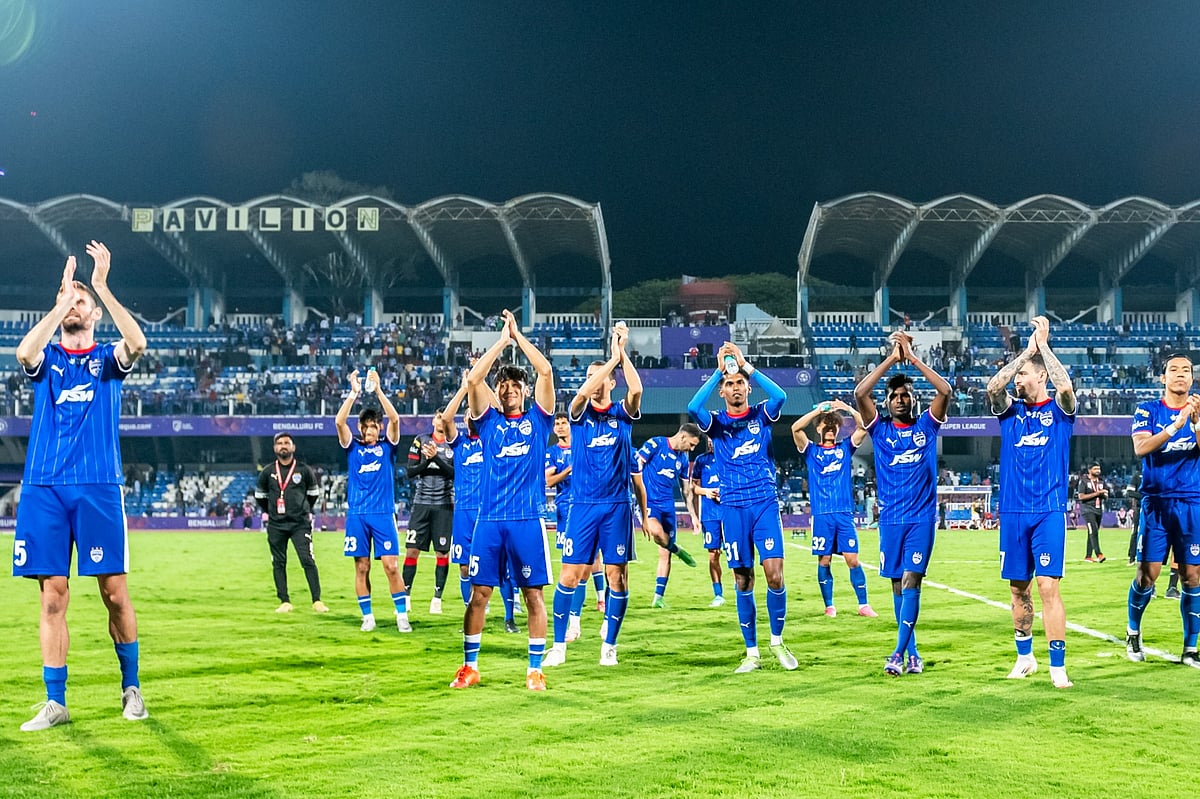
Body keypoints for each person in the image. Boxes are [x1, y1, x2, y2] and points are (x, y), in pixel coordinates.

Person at [13, 242, 149, 731]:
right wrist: (59, 300)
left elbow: (138, 344)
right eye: (69, 300)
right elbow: (22, 352)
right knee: (52, 596)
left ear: (92, 312)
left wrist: (102, 287)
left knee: (113, 593)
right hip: (44, 485)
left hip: (97, 486)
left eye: (80, 301)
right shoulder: (47, 358)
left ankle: (131, 689)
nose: (75, 305)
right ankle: (56, 702)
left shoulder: (107, 360)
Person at [450, 310, 554, 691]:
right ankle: (470, 667)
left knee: (533, 595)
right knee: (478, 595)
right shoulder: (488, 422)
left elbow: (544, 372)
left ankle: (534, 670)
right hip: (489, 519)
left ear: (524, 391)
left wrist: (520, 336)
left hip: (528, 519)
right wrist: (502, 342)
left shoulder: (539, 422)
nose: (510, 388)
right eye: (504, 384)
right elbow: (473, 378)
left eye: (515, 384)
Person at [687, 341, 798, 673]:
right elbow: (693, 407)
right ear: (722, 391)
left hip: (763, 502)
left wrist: (746, 366)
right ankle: (752, 653)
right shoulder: (717, 423)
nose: (735, 389)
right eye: (729, 385)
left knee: (774, 575)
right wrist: (719, 371)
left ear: (748, 387)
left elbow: (781, 397)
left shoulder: (761, 415)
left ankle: (777, 642)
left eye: (739, 384)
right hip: (732, 507)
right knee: (743, 578)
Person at [544, 324, 645, 668]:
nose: (595, 378)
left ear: (612, 381)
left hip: (616, 507)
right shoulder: (578, 415)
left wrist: (622, 354)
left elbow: (637, 388)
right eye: (590, 374)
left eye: (603, 374)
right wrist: (610, 357)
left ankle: (609, 647)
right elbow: (583, 392)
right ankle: (558, 646)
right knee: (569, 577)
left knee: (618, 577)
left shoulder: (622, 415)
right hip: (582, 507)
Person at [985, 315, 1076, 689]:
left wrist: (1044, 349)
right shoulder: (1011, 414)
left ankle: (1058, 666)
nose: (1018, 379)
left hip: (1048, 511)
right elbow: (993, 388)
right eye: (1017, 375)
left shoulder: (1059, 412)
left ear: (1040, 377)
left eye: (1024, 374)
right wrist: (1024, 353)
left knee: (1047, 587)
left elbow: (1067, 386)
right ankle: (1025, 658)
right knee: (1017, 588)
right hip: (1013, 513)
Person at [854, 330, 952, 677]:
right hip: (891, 520)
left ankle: (896, 653)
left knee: (912, 580)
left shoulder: (927, 426)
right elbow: (859, 393)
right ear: (888, 402)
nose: (900, 399)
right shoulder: (879, 430)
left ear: (914, 400)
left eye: (905, 395)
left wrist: (912, 359)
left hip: (921, 519)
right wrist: (891, 361)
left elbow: (945, 391)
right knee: (897, 585)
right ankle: (913, 654)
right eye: (894, 396)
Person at [1125, 353, 1200, 668]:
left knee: (1193, 575)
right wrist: (1175, 426)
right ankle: (1133, 632)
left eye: (1186, 370)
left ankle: (1190, 649)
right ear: (1163, 378)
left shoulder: (1199, 411)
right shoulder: (1148, 410)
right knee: (1148, 575)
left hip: (1192, 502)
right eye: (1174, 370)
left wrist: (1195, 424)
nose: (1180, 375)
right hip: (1156, 502)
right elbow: (1140, 448)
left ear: (1192, 378)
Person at [441, 372, 521, 633]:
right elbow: (445, 419)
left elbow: (498, 409)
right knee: (465, 566)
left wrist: (478, 384)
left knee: (506, 567)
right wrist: (465, 389)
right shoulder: (460, 444)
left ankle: (509, 617)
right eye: (468, 417)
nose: (470, 418)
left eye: (473, 414)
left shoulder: (492, 439)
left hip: (491, 510)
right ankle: (472, 611)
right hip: (464, 512)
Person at [334, 367, 411, 633]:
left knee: (391, 566)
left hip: (382, 513)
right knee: (362, 567)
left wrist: (378, 390)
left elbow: (396, 419)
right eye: (366, 427)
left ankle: (401, 615)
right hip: (357, 514)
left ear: (379, 428)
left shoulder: (388, 447)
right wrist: (354, 393)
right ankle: (367, 616)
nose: (370, 431)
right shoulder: (352, 447)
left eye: (374, 426)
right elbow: (339, 422)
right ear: (361, 428)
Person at [790, 399, 877, 619]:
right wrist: (818, 411)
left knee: (852, 559)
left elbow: (864, 426)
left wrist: (847, 409)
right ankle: (829, 606)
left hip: (843, 514)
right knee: (824, 560)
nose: (829, 427)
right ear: (818, 428)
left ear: (838, 428)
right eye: (825, 424)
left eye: (833, 424)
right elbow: (795, 428)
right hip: (822, 515)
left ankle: (863, 605)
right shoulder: (810, 450)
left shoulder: (845, 447)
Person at [545, 411, 606, 642]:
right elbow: (548, 481)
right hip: (565, 511)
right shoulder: (551, 453)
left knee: (593, 562)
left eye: (564, 423)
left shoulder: (583, 444)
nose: (560, 427)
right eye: (557, 424)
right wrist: (569, 470)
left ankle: (600, 605)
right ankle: (574, 624)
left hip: (588, 507)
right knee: (572, 570)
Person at [256, 433, 326, 614]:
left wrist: (302, 510)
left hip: (299, 524)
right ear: (274, 448)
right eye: (279, 443)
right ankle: (284, 601)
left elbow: (313, 495)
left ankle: (317, 601)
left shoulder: (304, 470)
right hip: (276, 525)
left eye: (286, 443)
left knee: (307, 560)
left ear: (293, 447)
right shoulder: (267, 472)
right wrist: (273, 513)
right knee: (278, 562)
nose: (283, 446)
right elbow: (261, 497)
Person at [637, 424, 702, 608]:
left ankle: (658, 597)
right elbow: (636, 466)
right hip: (649, 503)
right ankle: (677, 550)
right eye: (691, 444)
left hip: (668, 506)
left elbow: (686, 490)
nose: (692, 448)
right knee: (656, 532)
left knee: (664, 553)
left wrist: (694, 517)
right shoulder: (656, 444)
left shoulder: (683, 458)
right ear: (682, 437)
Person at [404, 405, 455, 615]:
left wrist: (434, 459)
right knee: (411, 550)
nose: (441, 421)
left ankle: (437, 598)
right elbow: (410, 471)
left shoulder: (454, 444)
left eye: (445, 418)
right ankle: (405, 597)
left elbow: (455, 473)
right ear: (433, 420)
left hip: (444, 505)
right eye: (438, 416)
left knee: (442, 553)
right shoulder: (421, 440)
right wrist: (429, 461)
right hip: (421, 504)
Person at [689, 437, 726, 607]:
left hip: (729, 513)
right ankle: (718, 594)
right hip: (710, 515)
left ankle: (741, 588)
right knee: (713, 555)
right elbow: (693, 487)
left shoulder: (730, 455)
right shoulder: (701, 460)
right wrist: (706, 492)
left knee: (736, 553)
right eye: (709, 440)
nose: (711, 442)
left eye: (715, 439)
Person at [1077, 462, 1107, 562]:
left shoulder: (1101, 481)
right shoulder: (1084, 481)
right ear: (1089, 470)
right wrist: (1097, 493)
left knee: (1092, 532)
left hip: (1098, 509)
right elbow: (1081, 497)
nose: (1098, 471)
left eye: (1099, 469)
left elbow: (1105, 495)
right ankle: (1099, 554)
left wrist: (1105, 495)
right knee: (1093, 531)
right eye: (1095, 469)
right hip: (1087, 509)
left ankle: (1088, 556)